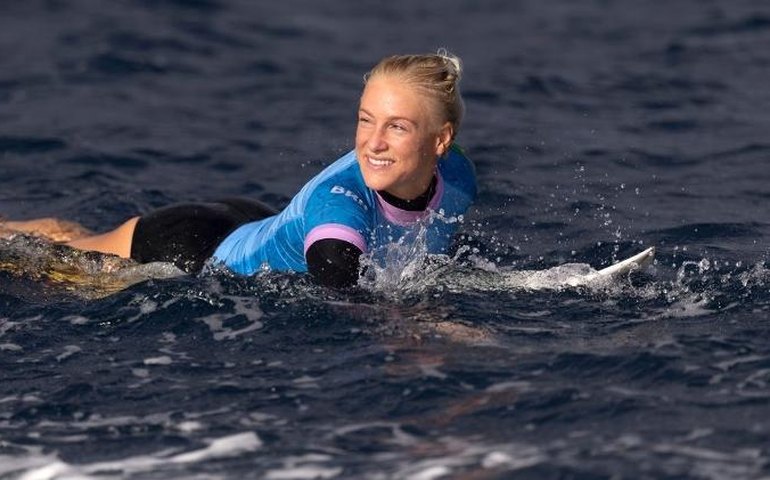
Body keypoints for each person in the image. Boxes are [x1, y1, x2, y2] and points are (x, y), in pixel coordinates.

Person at [1, 52, 477, 288]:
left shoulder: (458, 177)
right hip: (191, 247)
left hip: (255, 220)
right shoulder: (340, 204)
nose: (372, 143)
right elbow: (347, 303)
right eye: (365, 120)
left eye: (397, 127)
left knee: (68, 242)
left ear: (441, 140)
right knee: (47, 267)